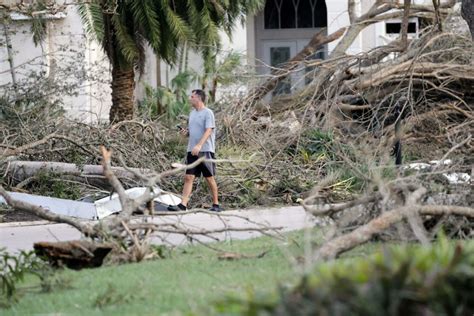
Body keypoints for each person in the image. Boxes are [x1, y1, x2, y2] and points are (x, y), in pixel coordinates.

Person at [168, 89, 223, 212]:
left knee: (209, 178)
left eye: (192, 96)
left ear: (198, 98)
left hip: (205, 150)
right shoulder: (192, 113)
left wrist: (199, 145)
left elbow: (209, 130)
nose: (190, 98)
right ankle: (183, 205)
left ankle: (216, 205)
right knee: (188, 177)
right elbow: (192, 131)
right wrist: (186, 133)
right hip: (192, 150)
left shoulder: (208, 113)